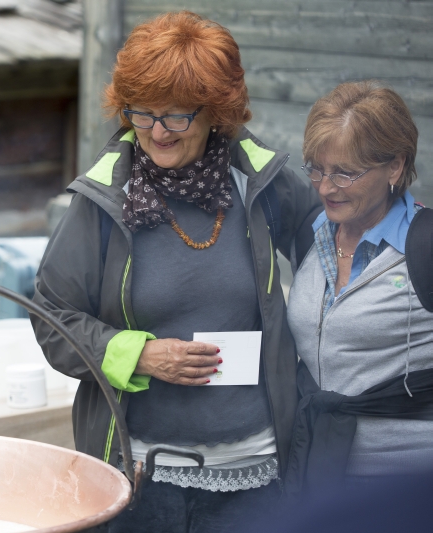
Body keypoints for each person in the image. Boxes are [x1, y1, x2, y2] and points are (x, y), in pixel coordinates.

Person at [31, 11, 321, 532]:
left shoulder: (264, 185)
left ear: (217, 113)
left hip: (255, 477)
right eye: (141, 113)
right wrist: (137, 354)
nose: (156, 132)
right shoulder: (102, 200)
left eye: (176, 116)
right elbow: (51, 317)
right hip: (142, 476)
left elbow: (339, 253)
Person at [285, 81, 433, 492]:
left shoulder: (425, 246)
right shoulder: (315, 236)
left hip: (407, 486)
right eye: (316, 167)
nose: (325, 186)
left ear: (395, 166)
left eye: (345, 173)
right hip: (320, 472)